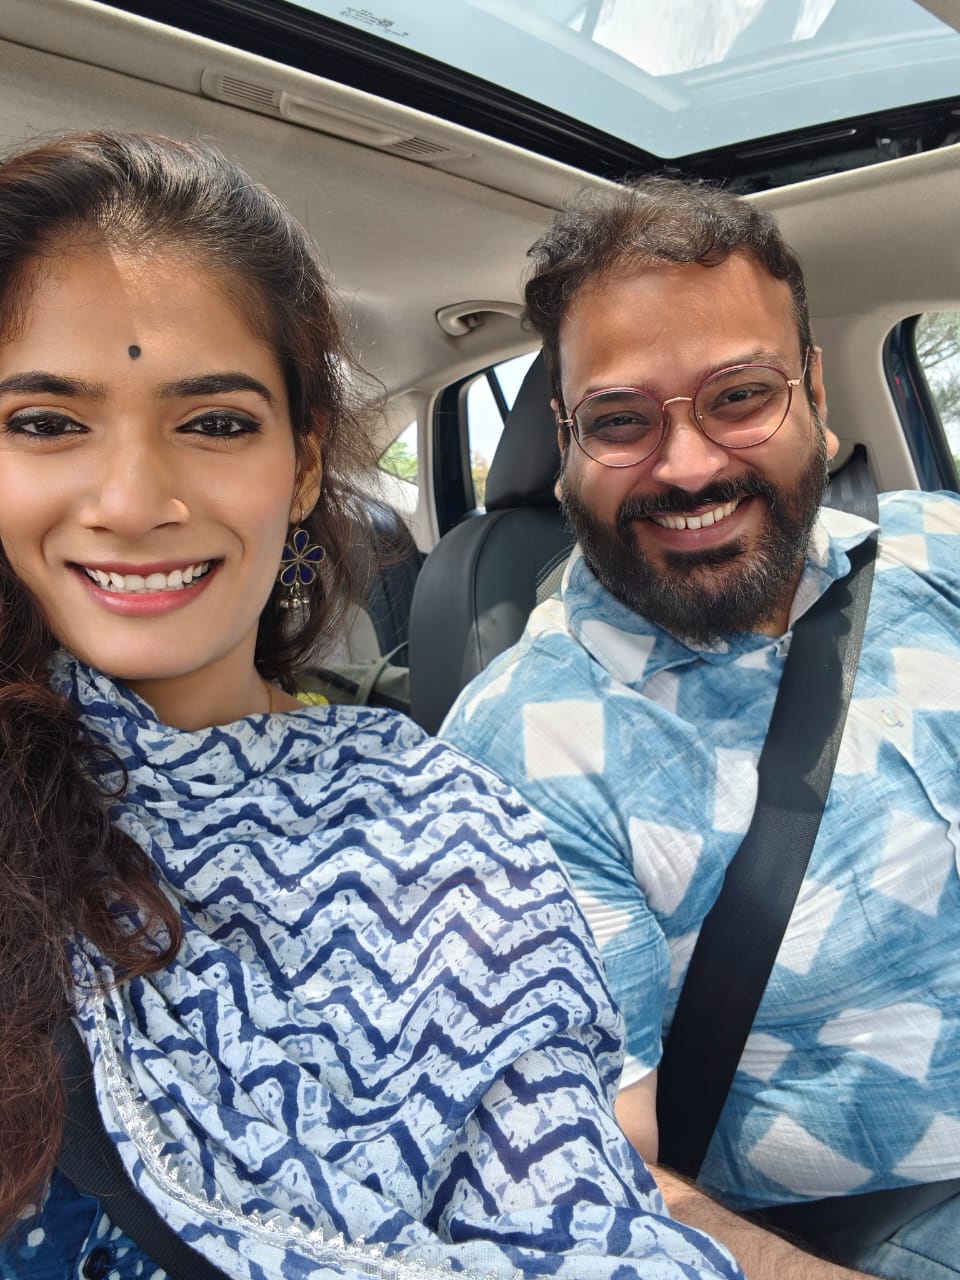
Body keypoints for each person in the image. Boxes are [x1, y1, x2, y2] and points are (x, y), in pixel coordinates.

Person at [0, 133, 745, 1280]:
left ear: (303, 464)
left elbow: (582, 1216)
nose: (133, 499)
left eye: (214, 421)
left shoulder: (451, 830)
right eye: (48, 422)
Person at [443, 177, 960, 1280]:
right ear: (566, 438)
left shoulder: (930, 548)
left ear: (816, 393)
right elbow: (600, 1180)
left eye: (740, 396)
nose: (686, 466)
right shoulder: (525, 752)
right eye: (622, 420)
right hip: (872, 1219)